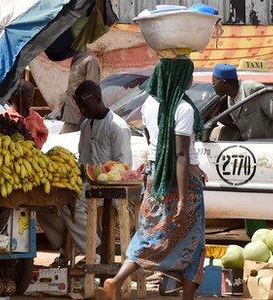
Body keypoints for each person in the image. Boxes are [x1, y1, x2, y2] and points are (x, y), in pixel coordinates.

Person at [100, 57, 206, 300]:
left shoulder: (149, 103)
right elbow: (180, 154)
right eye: (189, 75)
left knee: (150, 234)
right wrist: (181, 197)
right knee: (194, 244)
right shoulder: (184, 108)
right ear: (179, 78)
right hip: (182, 181)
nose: (191, 80)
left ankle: (115, 281)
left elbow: (155, 144)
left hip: (156, 174)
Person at [36, 80, 131, 266]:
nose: (81, 110)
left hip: (108, 190)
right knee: (44, 203)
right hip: (84, 185)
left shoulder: (117, 127)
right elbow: (83, 159)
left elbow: (123, 166)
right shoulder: (86, 124)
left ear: (97, 99)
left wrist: (101, 175)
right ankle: (65, 248)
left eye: (84, 105)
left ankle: (93, 251)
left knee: (69, 203)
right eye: (79, 105)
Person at [59, 50, 101, 133]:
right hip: (71, 114)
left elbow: (91, 90)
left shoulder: (90, 61)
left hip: (81, 116)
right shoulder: (76, 60)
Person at [4, 80, 48, 149]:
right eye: (29, 97)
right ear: (17, 97)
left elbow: (44, 133)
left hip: (32, 154)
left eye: (32, 98)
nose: (32, 100)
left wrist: (36, 144)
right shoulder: (6, 117)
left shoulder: (35, 116)